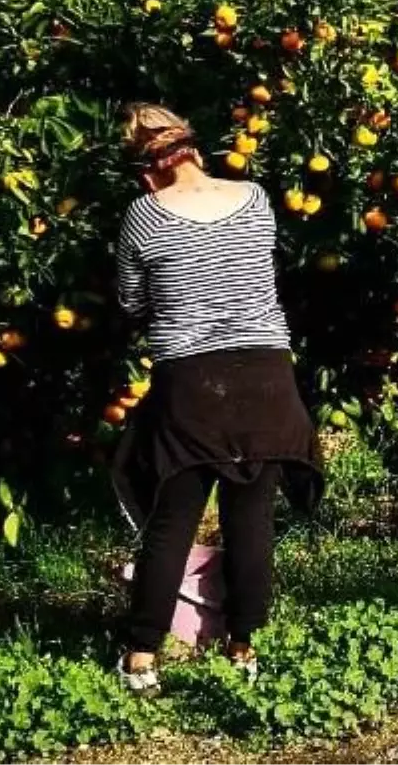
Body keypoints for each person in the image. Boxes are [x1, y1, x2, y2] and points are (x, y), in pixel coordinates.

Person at [110, 103, 322, 695]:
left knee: (173, 518)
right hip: (266, 373)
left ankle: (142, 658)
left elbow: (131, 302)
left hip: (192, 381)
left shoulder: (143, 216)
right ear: (195, 148)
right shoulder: (255, 198)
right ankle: (242, 646)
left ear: (145, 169)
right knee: (250, 517)